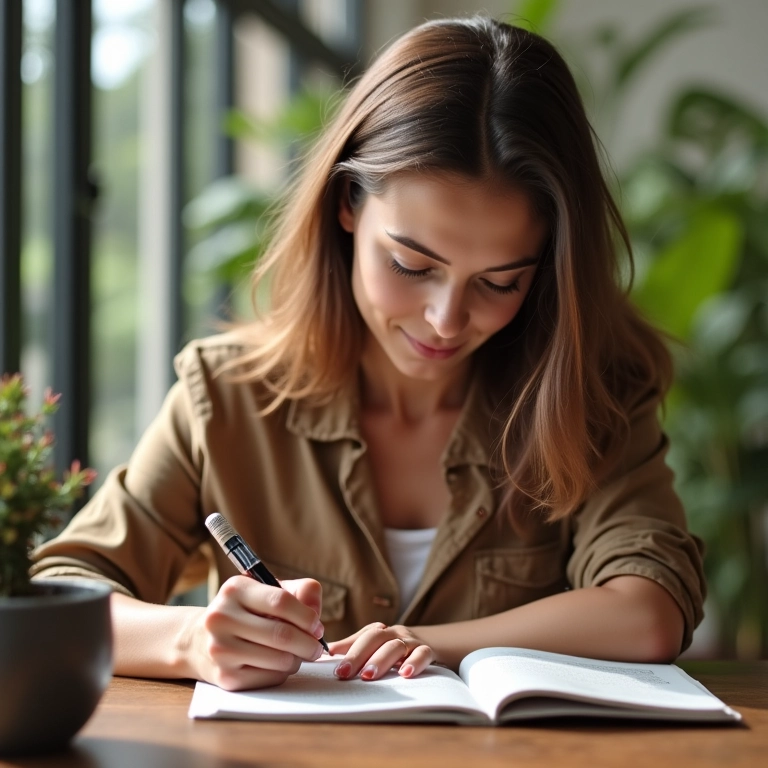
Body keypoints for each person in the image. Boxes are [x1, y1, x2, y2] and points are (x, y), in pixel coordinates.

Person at [32, 15, 705, 692]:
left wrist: (424, 646)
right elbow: (61, 593)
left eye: (500, 282)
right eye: (412, 265)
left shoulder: (591, 397)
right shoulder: (228, 395)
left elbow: (648, 611)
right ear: (348, 204)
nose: (446, 320)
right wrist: (191, 641)